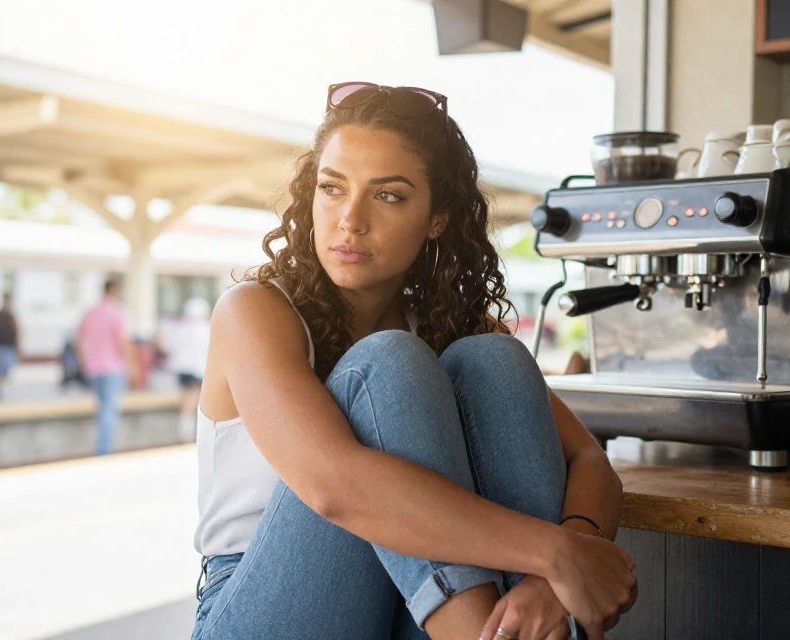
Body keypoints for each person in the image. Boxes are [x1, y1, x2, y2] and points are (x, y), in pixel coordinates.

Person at [190, 82, 636, 640]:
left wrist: (552, 578)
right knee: (387, 363)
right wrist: (557, 552)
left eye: (388, 195)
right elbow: (334, 487)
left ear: (438, 218)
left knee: (494, 358)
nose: (350, 219)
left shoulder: (454, 326)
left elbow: (591, 462)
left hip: (411, 606)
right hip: (266, 602)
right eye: (332, 188)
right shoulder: (254, 313)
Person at [75, 278, 136, 455]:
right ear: (114, 291)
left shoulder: (90, 311)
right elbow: (123, 341)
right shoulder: (118, 311)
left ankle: (102, 446)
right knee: (110, 409)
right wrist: (132, 366)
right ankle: (104, 450)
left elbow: (79, 338)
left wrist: (84, 360)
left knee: (101, 408)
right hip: (113, 368)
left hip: (93, 368)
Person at [167, 296, 213, 442]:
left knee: (187, 398)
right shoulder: (204, 329)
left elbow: (170, 348)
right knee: (192, 399)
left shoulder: (181, 328)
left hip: (182, 369)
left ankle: (186, 427)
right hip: (196, 370)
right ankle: (186, 430)